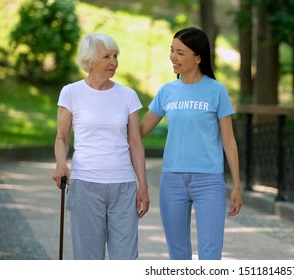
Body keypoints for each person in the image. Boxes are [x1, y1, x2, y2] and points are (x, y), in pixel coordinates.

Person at [139, 26, 242, 260]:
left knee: (210, 254)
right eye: (172, 50)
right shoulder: (167, 91)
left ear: (198, 58)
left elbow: (229, 141)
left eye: (181, 52)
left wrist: (236, 185)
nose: (173, 57)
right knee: (178, 255)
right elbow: (141, 131)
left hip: (209, 181)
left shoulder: (217, 91)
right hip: (172, 180)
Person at [52, 33, 150, 260]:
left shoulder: (127, 95)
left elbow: (135, 143)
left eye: (115, 55)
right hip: (85, 184)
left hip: (123, 186)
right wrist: (61, 165)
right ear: (90, 60)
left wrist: (142, 186)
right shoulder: (71, 92)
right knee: (88, 258)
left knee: (126, 259)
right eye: (106, 56)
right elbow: (62, 138)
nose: (114, 62)